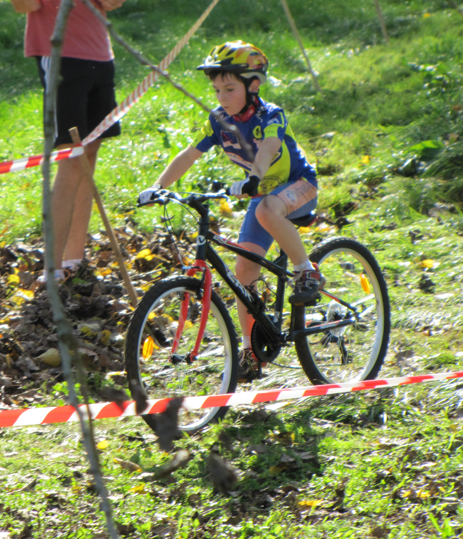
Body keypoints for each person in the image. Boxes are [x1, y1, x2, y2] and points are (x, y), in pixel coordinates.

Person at [137, 40, 323, 381]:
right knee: (243, 275)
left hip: (299, 186)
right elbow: (190, 153)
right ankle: (253, 352)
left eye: (230, 88)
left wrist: (253, 178)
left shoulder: (271, 115)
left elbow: (267, 149)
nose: (221, 97)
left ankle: (307, 270)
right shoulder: (219, 120)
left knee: (266, 209)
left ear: (253, 86)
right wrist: (159, 186)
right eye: (216, 89)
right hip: (263, 195)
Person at [0, 0, 126, 281]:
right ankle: (52, 268)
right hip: (60, 51)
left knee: (88, 156)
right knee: (71, 158)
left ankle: (73, 261)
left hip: (101, 53)